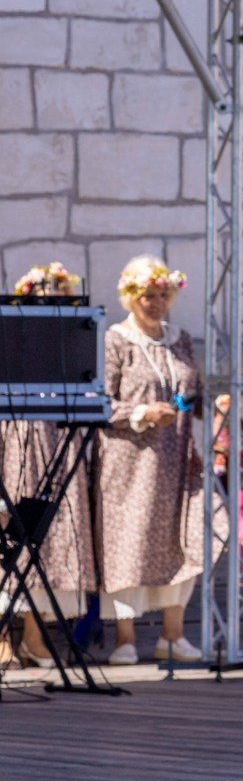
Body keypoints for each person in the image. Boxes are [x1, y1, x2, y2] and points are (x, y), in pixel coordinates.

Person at [98, 255, 203, 666]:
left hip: (176, 457)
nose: (156, 303)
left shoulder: (181, 339)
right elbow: (101, 402)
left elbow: (194, 389)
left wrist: (208, 405)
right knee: (129, 542)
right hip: (130, 460)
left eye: (162, 295)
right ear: (130, 297)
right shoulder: (116, 340)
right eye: (147, 296)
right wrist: (142, 413)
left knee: (183, 536)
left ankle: (172, 635)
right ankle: (125, 639)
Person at [1, 262, 96, 667]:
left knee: (49, 541)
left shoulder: (69, 349)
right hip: (12, 445)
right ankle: (4, 638)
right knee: (7, 541)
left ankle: (36, 637)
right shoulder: (9, 342)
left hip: (56, 445)